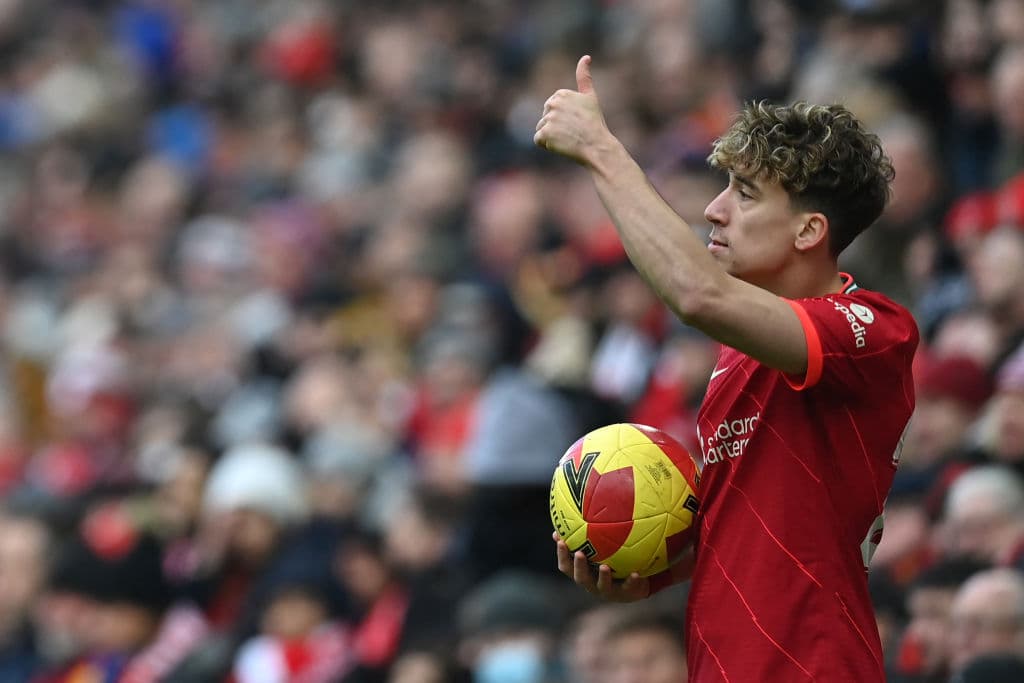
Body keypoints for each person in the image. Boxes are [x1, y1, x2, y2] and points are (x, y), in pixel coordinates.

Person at [538, 56, 918, 681]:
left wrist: (602, 152)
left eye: (744, 194)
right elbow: (764, 529)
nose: (714, 210)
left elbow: (697, 295)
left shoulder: (873, 330)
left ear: (809, 231)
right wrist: (655, 562)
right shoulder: (740, 353)